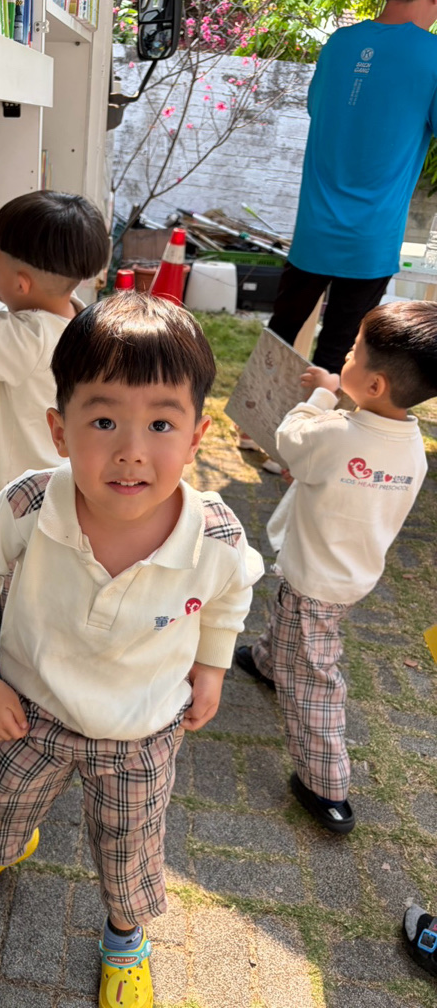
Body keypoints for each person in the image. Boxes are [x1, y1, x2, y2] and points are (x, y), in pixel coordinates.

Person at [0, 291, 263, 1008]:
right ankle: (3, 847)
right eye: (103, 420)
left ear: (197, 436)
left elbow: (229, 598)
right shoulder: (29, 504)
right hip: (30, 710)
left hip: (142, 731)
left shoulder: (216, 536)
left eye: (160, 423)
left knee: (130, 855)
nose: (131, 450)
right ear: (59, 430)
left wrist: (212, 668)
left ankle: (125, 937)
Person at [235, 301, 437, 834]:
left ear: (374, 384)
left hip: (314, 577)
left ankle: (326, 784)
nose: (343, 357)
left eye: (351, 353)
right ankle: (268, 662)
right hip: (352, 574)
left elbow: (289, 439)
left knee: (315, 681)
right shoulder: (412, 449)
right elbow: (342, 472)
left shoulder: (336, 433)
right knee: (294, 625)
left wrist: (323, 394)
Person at [266, 0, 437, 376]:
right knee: (338, 357)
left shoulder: (339, 43)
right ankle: (315, 417)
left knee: (279, 338)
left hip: (313, 227)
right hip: (370, 236)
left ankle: (254, 413)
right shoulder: (432, 55)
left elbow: (318, 108)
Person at [0, 190, 110, 493]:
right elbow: (0, 281)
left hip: (32, 498)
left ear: (21, 284)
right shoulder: (75, 316)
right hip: (63, 485)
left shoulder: (29, 341)